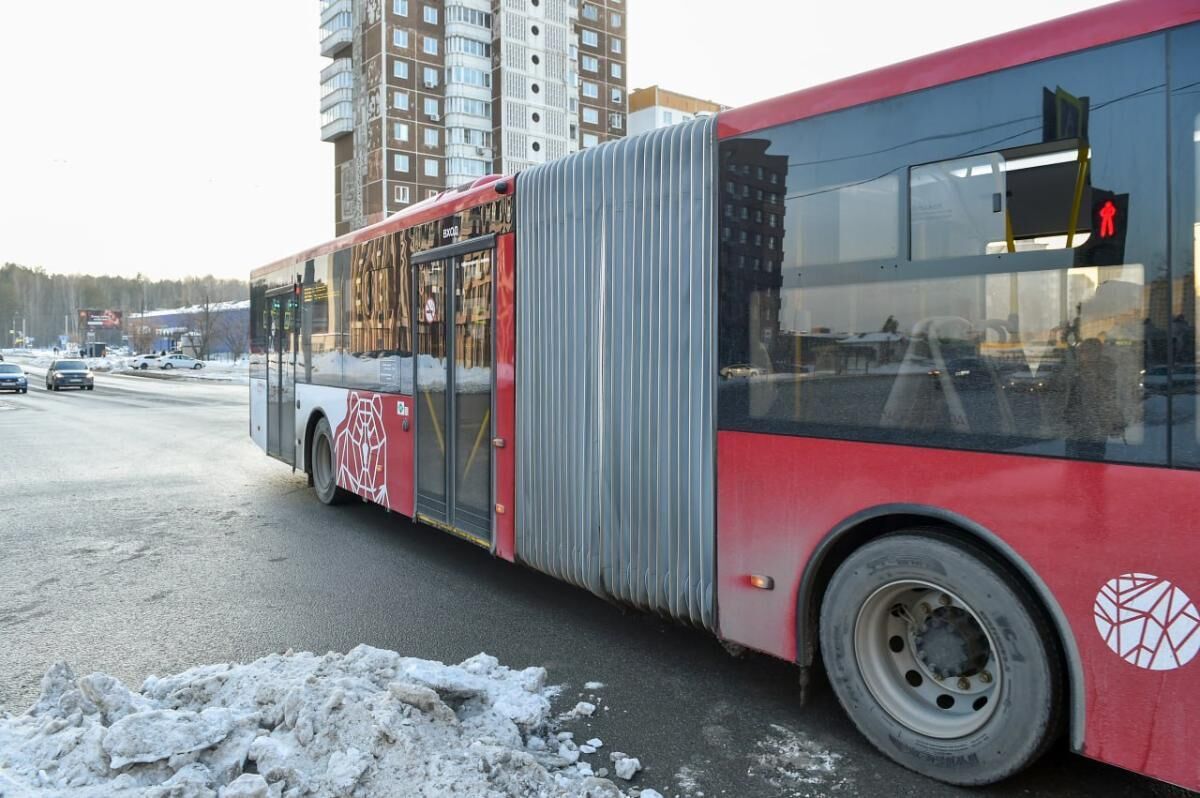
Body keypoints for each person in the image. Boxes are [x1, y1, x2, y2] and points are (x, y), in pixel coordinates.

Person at [1063, 338, 1123, 460]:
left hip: (1093, 429)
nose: (1084, 354)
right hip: (1076, 428)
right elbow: (1069, 397)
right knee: (1072, 466)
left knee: (1091, 463)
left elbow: (1109, 400)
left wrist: (1115, 422)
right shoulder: (1077, 370)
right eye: (1082, 351)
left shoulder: (1105, 371)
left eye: (1088, 351)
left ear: (1098, 352)